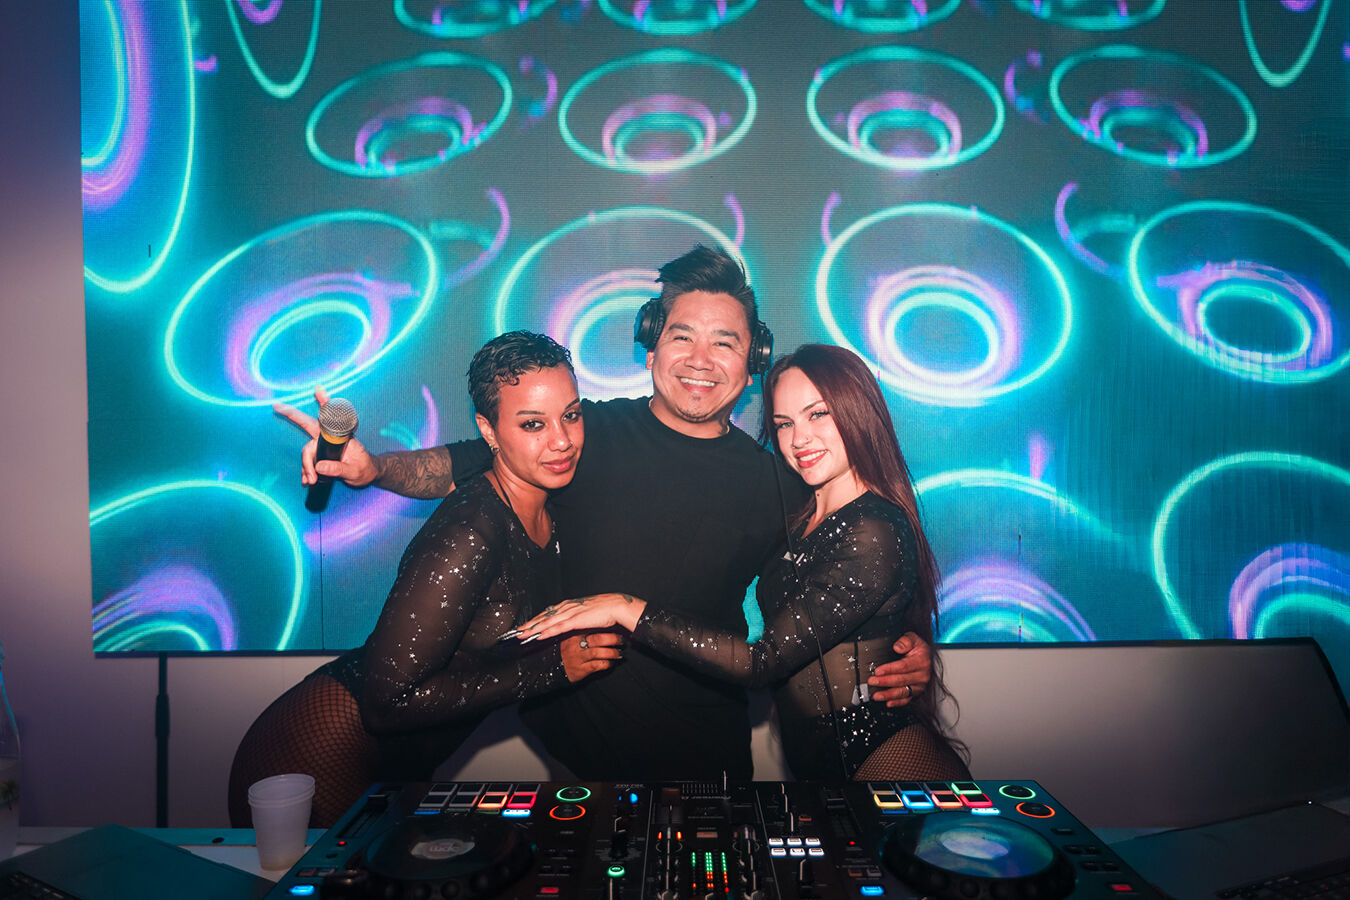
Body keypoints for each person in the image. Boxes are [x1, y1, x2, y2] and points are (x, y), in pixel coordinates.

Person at [282, 246, 934, 781]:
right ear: (651, 347)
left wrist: (902, 647)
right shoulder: (578, 433)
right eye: (682, 336)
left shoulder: (785, 480)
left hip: (706, 759)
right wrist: (374, 470)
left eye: (725, 343)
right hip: (579, 754)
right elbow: (457, 464)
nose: (701, 360)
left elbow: (837, 580)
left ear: (751, 363)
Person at [513, 344, 969, 781]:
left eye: (818, 414)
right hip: (819, 764)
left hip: (884, 758)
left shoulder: (872, 528)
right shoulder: (798, 510)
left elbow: (761, 661)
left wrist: (621, 607)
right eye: (784, 423)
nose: (800, 439)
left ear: (858, 412)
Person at [228, 332, 618, 827]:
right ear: (489, 431)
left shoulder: (549, 499)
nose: (561, 440)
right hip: (320, 753)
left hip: (400, 763)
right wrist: (552, 670)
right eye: (532, 424)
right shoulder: (471, 530)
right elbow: (386, 704)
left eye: (571, 415)